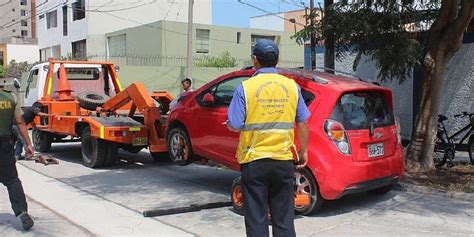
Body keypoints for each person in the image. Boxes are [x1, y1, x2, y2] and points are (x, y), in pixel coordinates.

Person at [226, 39, 310, 237]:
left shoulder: (245, 88)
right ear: (277, 60)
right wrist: (304, 150)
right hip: (283, 160)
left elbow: (236, 125)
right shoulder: (292, 87)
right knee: (284, 218)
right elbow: (303, 122)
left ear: (255, 60)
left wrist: (229, 124)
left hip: (254, 161)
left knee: (256, 218)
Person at [0, 77, 35, 230]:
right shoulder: (11, 97)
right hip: (5, 146)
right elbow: (20, 122)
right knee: (12, 180)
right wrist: (28, 144)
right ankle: (22, 213)